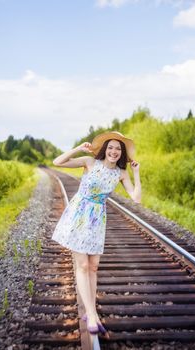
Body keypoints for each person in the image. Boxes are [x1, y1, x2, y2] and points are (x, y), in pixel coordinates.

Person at [51, 131, 141, 335]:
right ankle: (91, 314)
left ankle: (91, 312)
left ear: (122, 153)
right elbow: (58, 161)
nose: (114, 151)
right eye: (110, 147)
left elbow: (136, 198)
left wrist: (136, 174)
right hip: (78, 214)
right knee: (82, 265)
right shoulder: (89, 162)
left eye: (118, 149)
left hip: (97, 219)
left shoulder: (121, 173)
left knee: (93, 267)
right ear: (105, 149)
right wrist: (78, 148)